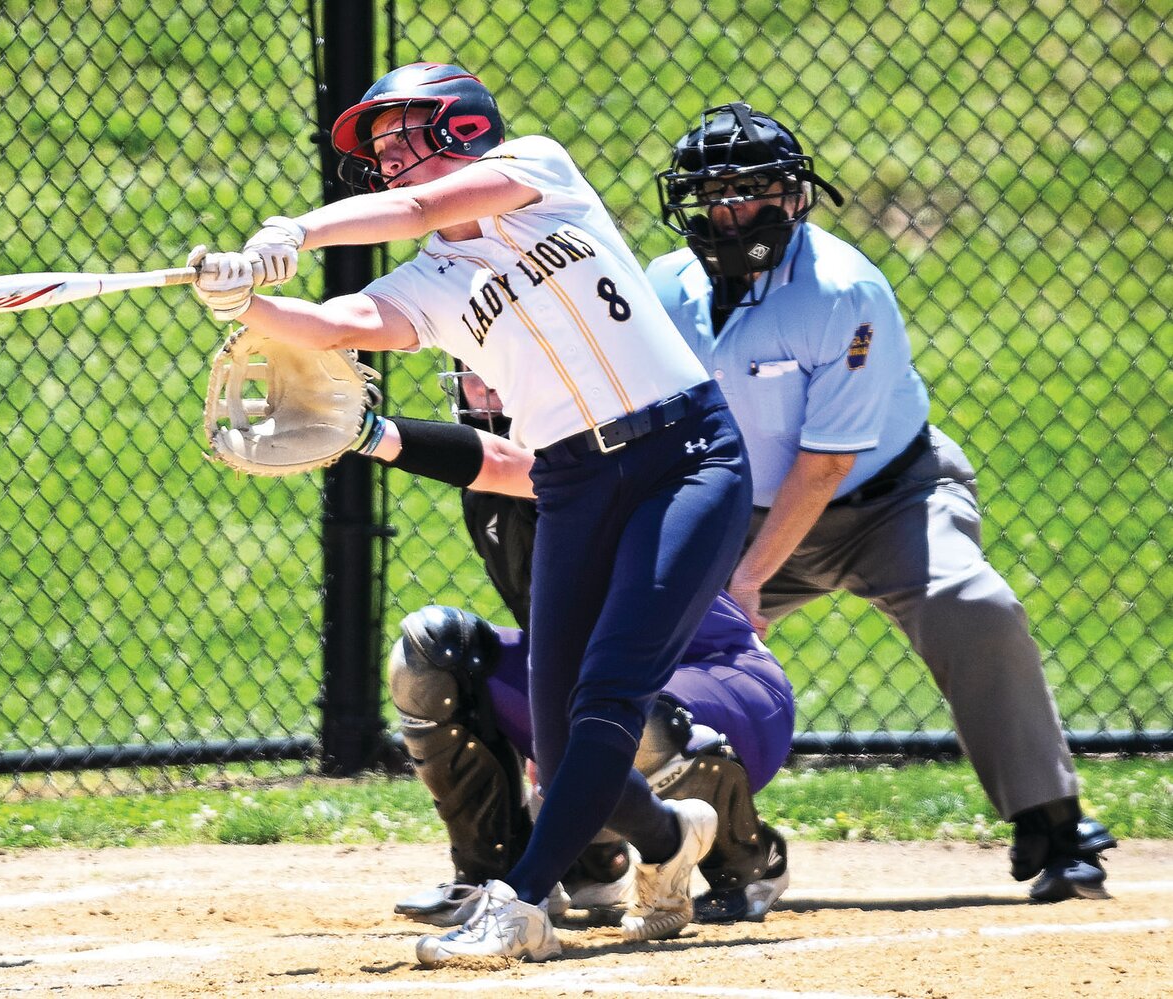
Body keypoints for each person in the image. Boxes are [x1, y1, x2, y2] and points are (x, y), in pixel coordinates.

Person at [185, 63, 755, 965]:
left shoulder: (539, 172)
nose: (389, 157)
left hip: (684, 455)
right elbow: (336, 322)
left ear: (464, 128)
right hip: (573, 481)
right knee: (569, 745)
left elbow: (414, 212)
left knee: (609, 689)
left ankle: (520, 901)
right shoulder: (435, 282)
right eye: (379, 147)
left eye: (405, 133)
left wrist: (292, 229)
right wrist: (243, 301)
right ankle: (667, 840)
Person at [644, 102, 1116, 902]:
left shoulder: (842, 289)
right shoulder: (666, 285)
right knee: (646, 638)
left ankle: (1054, 820)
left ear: (793, 197)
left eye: (750, 190)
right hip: (743, 511)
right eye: (711, 192)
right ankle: (682, 839)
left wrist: (749, 579)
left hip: (892, 499)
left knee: (973, 602)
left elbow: (828, 462)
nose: (728, 211)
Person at [359, 368, 794, 927]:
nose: (488, 385)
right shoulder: (485, 501)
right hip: (604, 688)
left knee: (619, 712)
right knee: (431, 654)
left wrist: (367, 432)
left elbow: (517, 468)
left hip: (722, 682)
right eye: (472, 373)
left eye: (502, 367)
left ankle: (744, 858)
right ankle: (519, 871)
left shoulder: (599, 455)